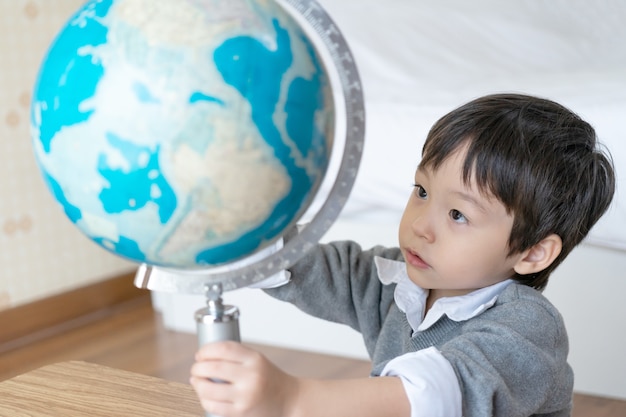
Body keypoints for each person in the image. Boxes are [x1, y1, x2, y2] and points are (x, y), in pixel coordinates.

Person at [189, 93, 616, 417]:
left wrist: (292, 398)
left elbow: (441, 387)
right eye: (422, 191)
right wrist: (238, 238)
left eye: (457, 214)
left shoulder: (528, 329)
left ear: (533, 252)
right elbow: (324, 271)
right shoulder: (402, 279)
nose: (420, 225)